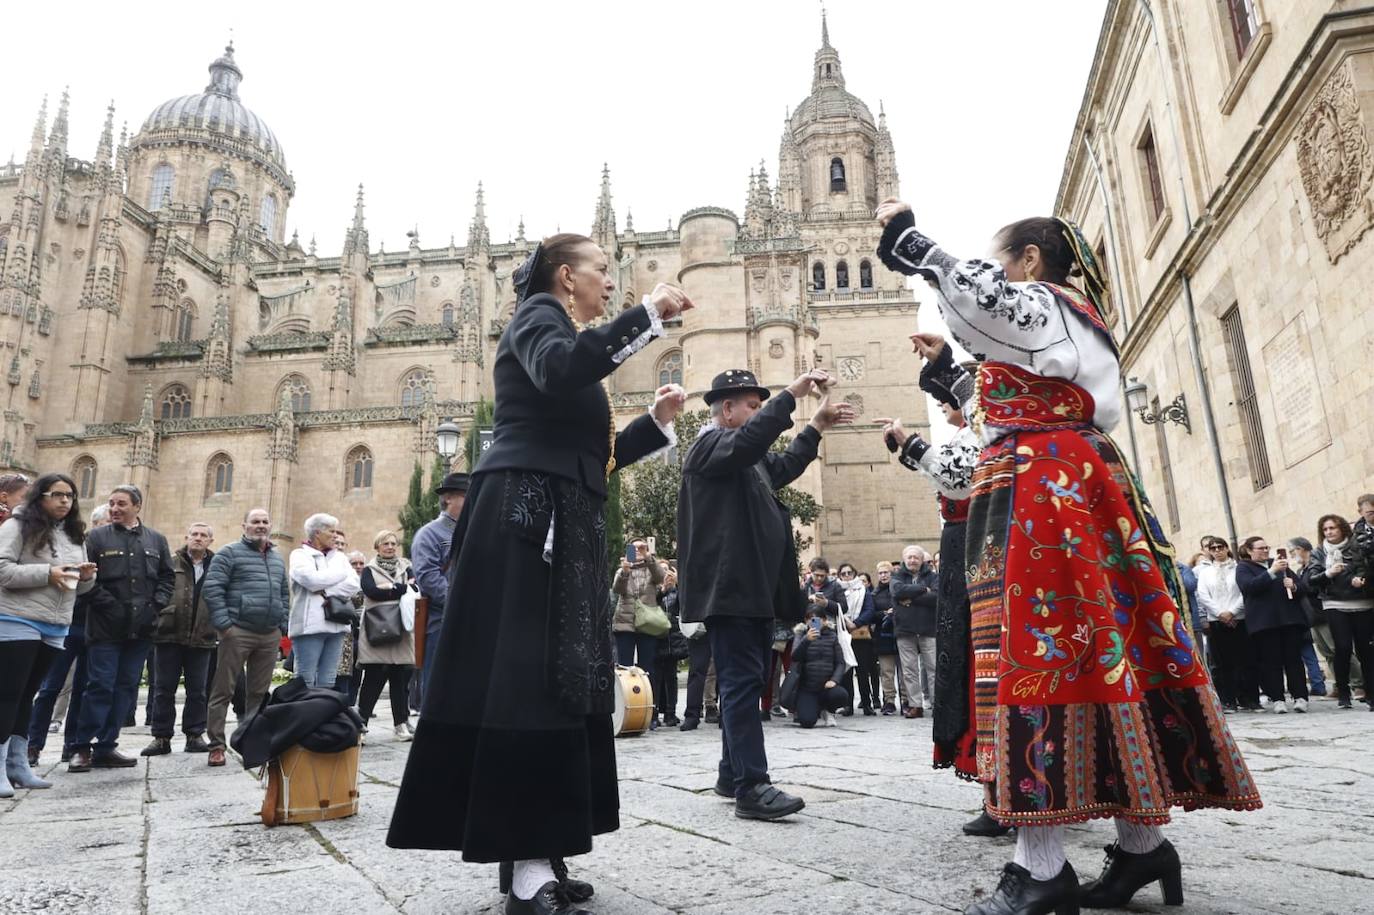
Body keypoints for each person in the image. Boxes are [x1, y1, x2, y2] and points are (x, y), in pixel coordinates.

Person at [875, 201, 1260, 913]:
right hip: (1053, 487)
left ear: (1030, 261)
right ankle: (1142, 847)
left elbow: (982, 301)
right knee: (1095, 650)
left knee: (1042, 650)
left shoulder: (1051, 303)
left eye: (1004, 261)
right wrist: (946, 375)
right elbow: (996, 409)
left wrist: (908, 238)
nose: (998, 274)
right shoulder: (1051, 342)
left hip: (1049, 498)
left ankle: (1042, 867)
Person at [387, 231, 691, 915]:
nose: (610, 281)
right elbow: (558, 373)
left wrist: (653, 423)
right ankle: (524, 864)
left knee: (557, 680)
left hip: (558, 518)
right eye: (601, 269)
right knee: (525, 680)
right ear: (565, 275)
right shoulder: (537, 318)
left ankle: (541, 846)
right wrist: (646, 315)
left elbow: (589, 456)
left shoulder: (563, 335)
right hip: (527, 520)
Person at [677, 365, 853, 823]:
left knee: (747, 681)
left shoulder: (746, 459)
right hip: (729, 590)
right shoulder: (710, 445)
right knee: (740, 683)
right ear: (727, 410)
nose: (759, 414)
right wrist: (792, 394)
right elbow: (754, 439)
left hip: (750, 589)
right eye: (753, 406)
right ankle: (752, 787)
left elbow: (786, 464)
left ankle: (730, 772)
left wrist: (816, 425)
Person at [880, 371, 1001, 836]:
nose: (942, 405)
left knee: (978, 663)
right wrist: (908, 447)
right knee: (969, 662)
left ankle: (1003, 791)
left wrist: (911, 443)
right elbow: (946, 473)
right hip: (963, 549)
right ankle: (998, 787)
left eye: (945, 397)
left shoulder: (977, 433)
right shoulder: (968, 435)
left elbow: (956, 479)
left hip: (974, 548)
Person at [0, 473, 95, 795]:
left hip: (56, 623)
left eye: (70, 495)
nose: (65, 500)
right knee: (8, 694)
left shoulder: (74, 534)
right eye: (57, 494)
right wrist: (47, 573)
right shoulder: (17, 525)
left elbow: (79, 588)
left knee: (27, 694)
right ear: (40, 496)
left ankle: (17, 764)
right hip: (17, 618)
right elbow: (2, 569)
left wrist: (86, 578)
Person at [69, 485, 175, 773]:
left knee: (126, 688)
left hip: (141, 630)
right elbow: (84, 578)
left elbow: (167, 577)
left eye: (121, 504)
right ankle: (81, 747)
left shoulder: (156, 539)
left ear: (137, 506)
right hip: (105, 628)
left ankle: (106, 746)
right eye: (112, 503)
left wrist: (156, 606)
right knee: (99, 686)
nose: (115, 509)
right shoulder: (96, 538)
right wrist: (110, 606)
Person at [202, 507, 290, 768]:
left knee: (259, 693)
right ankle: (217, 746)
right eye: (255, 521)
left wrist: (282, 623)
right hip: (237, 631)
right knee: (223, 690)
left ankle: (251, 742)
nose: (260, 525)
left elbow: (284, 592)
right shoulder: (229, 553)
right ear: (244, 526)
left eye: (265, 521)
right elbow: (213, 588)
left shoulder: (276, 558)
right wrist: (225, 626)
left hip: (269, 634)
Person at [27, 504, 109, 765]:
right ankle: (33, 745)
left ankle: (72, 746)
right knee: (51, 687)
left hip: (96, 627)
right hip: (69, 623)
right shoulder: (76, 547)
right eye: (105, 523)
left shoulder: (112, 550)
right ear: (95, 524)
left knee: (83, 688)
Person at [141, 522, 217, 756]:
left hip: (202, 635)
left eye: (203, 535)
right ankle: (161, 737)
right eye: (194, 534)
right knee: (163, 689)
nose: (198, 538)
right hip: (169, 634)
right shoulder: (171, 563)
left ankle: (194, 735)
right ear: (186, 537)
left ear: (210, 541)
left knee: (198, 690)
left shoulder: (217, 567)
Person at [1303, 514, 1374, 710]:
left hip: (1361, 602)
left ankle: (1370, 693)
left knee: (1366, 650)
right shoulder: (1319, 552)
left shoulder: (1357, 546)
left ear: (1342, 528)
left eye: (1332, 528)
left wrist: (1362, 579)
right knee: (1342, 648)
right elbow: (1311, 579)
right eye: (1325, 529)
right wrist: (1329, 573)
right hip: (1334, 603)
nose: (1329, 532)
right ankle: (1343, 691)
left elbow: (1367, 568)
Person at [410, 472, 469, 703]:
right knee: (437, 687)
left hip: (471, 620)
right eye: (466, 496)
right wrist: (460, 603)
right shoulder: (429, 533)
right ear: (448, 498)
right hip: (441, 621)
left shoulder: (473, 531)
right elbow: (428, 577)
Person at [1234, 536, 1308, 714]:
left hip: (1289, 619)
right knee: (1271, 662)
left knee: (1294, 660)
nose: (1265, 551)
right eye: (1260, 548)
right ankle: (1277, 699)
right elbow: (1249, 587)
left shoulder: (1280, 565)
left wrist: (1294, 586)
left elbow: (1302, 588)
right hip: (1265, 623)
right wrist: (1271, 572)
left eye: (1267, 547)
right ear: (1249, 551)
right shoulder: (1244, 567)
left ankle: (1300, 697)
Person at [357, 531, 417, 742]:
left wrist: (390, 587)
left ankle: (400, 725)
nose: (390, 547)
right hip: (377, 629)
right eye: (385, 543)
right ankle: (361, 725)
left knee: (400, 681)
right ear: (377, 546)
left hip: (401, 629)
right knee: (372, 680)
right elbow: (370, 591)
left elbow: (414, 587)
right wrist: (399, 589)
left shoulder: (406, 567)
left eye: (393, 543)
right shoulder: (369, 569)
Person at [288, 513, 359, 689]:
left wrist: (325, 589)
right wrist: (340, 575)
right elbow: (311, 580)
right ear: (317, 533)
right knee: (305, 679)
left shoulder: (339, 557)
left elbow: (354, 585)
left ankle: (323, 707)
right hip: (309, 627)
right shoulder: (300, 555)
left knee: (328, 681)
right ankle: (305, 708)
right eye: (331, 531)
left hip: (337, 624)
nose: (335, 535)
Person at [1290, 536, 1361, 697]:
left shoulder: (1316, 564)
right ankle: (1339, 684)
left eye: (1292, 551)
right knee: (1327, 652)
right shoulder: (1301, 570)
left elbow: (1316, 586)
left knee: (1339, 649)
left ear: (1301, 549)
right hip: (1312, 617)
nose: (1291, 554)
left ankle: (1358, 683)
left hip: (1324, 613)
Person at [1195, 538, 1258, 712]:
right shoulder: (1205, 573)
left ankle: (1249, 698)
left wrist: (1233, 611)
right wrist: (1220, 613)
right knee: (1222, 663)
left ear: (1226, 548)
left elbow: (1244, 591)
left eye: (1220, 547)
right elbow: (1203, 595)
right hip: (1217, 619)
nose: (1217, 551)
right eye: (1213, 548)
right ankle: (1227, 699)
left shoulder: (1239, 568)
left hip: (1239, 618)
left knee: (1245, 659)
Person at [889, 545, 938, 719]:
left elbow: (936, 597)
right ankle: (915, 705)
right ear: (904, 559)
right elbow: (897, 592)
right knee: (909, 670)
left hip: (928, 629)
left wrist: (910, 598)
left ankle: (936, 704)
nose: (912, 560)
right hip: (905, 629)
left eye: (916, 557)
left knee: (933, 668)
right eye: (909, 557)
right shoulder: (896, 577)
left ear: (922, 560)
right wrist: (923, 589)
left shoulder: (933, 577)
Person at [611, 538, 665, 687]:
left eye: (640, 547)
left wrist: (648, 556)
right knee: (625, 668)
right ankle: (627, 700)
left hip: (647, 623)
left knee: (647, 668)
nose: (637, 550)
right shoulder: (622, 570)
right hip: (625, 623)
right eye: (633, 548)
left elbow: (660, 577)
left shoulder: (651, 569)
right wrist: (625, 572)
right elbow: (617, 589)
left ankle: (648, 700)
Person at [787, 608, 849, 728]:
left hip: (827, 686)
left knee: (841, 695)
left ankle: (828, 710)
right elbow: (795, 657)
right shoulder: (801, 634)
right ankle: (813, 708)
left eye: (817, 620)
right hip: (807, 687)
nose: (814, 623)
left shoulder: (832, 636)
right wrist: (806, 640)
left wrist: (834, 680)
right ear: (806, 621)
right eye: (810, 619)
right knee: (807, 722)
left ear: (825, 620)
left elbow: (840, 663)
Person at [836, 562, 879, 716]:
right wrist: (845, 622)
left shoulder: (863, 590)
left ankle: (867, 704)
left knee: (863, 671)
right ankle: (848, 705)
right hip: (843, 634)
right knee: (846, 672)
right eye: (843, 573)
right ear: (840, 576)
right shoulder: (837, 590)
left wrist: (855, 623)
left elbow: (869, 610)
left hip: (860, 635)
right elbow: (835, 608)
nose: (847, 576)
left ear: (854, 574)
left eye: (849, 573)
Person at [652, 563, 683, 729]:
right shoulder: (653, 590)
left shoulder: (677, 592)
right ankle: (654, 713)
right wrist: (662, 590)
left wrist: (678, 584)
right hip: (657, 637)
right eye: (662, 570)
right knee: (656, 678)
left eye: (667, 570)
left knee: (671, 677)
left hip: (673, 639)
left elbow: (685, 604)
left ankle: (671, 712)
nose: (665, 574)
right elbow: (649, 604)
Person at [872, 561, 900, 714]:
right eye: (880, 573)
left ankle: (906, 700)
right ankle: (889, 701)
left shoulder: (899, 589)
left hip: (900, 633)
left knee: (904, 671)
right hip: (883, 635)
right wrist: (884, 613)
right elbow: (871, 614)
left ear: (892, 573)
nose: (883, 575)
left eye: (886, 572)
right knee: (886, 671)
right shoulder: (874, 594)